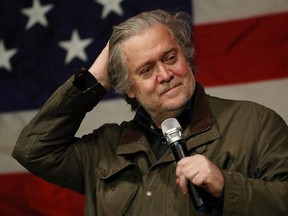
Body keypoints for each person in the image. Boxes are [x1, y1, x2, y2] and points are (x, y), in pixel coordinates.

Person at [12, 9, 288, 216]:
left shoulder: (256, 122)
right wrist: (95, 79)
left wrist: (227, 186)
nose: (166, 74)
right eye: (146, 70)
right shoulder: (105, 148)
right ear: (128, 88)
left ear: (186, 56)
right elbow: (33, 150)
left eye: (170, 58)